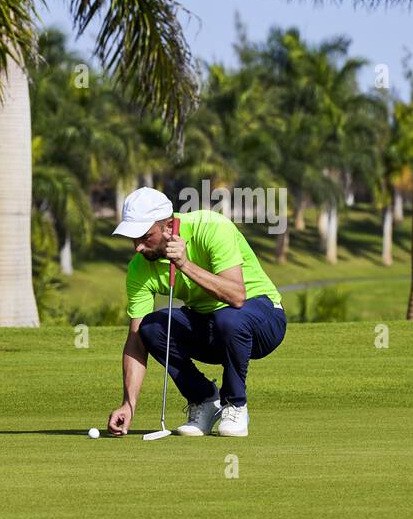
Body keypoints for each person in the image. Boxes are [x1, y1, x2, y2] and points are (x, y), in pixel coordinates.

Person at [106, 187, 287, 437]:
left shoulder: (211, 227)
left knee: (229, 316)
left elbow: (236, 296)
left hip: (264, 321)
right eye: (132, 238)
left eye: (145, 237)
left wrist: (184, 264)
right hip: (215, 330)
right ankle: (203, 399)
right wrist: (129, 403)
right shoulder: (139, 268)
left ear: (169, 225)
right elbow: (136, 340)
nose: (137, 247)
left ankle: (235, 404)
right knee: (151, 327)